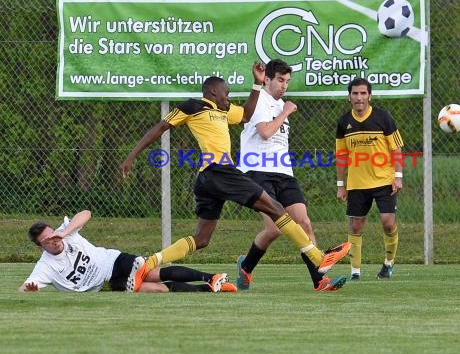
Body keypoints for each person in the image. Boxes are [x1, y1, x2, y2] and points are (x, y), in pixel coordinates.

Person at [120, 62, 350, 292]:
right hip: (219, 171)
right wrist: (131, 156)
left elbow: (246, 115)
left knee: (202, 239)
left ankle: (149, 262)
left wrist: (256, 84)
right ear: (213, 92)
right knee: (276, 209)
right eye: (226, 93)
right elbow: (160, 128)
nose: (228, 97)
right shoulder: (193, 106)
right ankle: (318, 257)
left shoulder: (223, 111)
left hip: (210, 179)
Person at [236, 59, 346, 292]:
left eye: (287, 81)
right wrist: (285, 112)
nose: (284, 85)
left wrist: (283, 110)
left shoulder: (281, 103)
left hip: (283, 172)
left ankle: (320, 281)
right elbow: (265, 132)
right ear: (266, 79)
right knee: (275, 228)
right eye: (280, 80)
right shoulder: (259, 102)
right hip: (258, 171)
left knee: (304, 222)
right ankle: (246, 266)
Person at [19, 210, 236, 293]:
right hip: (105, 284)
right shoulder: (45, 266)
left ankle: (211, 277)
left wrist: (65, 232)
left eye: (52, 234)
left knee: (151, 272)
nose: (54, 240)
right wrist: (29, 290)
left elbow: (86, 213)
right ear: (40, 247)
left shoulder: (66, 234)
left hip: (113, 261)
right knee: (156, 290)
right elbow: (25, 288)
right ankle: (210, 289)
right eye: (48, 240)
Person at [335, 78, 404, 280]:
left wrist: (398, 177)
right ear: (349, 97)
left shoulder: (383, 118)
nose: (359, 98)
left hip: (384, 180)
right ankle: (355, 272)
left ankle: (388, 264)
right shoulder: (343, 122)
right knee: (356, 226)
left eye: (363, 93)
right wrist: (341, 185)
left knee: (388, 223)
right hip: (357, 183)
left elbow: (396, 148)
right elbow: (341, 156)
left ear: (370, 96)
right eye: (355, 94)